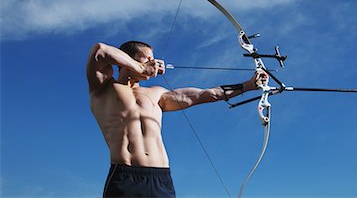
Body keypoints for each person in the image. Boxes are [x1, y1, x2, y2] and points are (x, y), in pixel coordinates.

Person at [86, 41, 269, 198]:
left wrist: (249, 85)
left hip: (161, 179)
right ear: (129, 59)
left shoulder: (157, 94)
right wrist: (141, 68)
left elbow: (208, 94)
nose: (155, 63)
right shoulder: (103, 88)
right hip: (125, 177)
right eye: (148, 58)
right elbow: (100, 51)